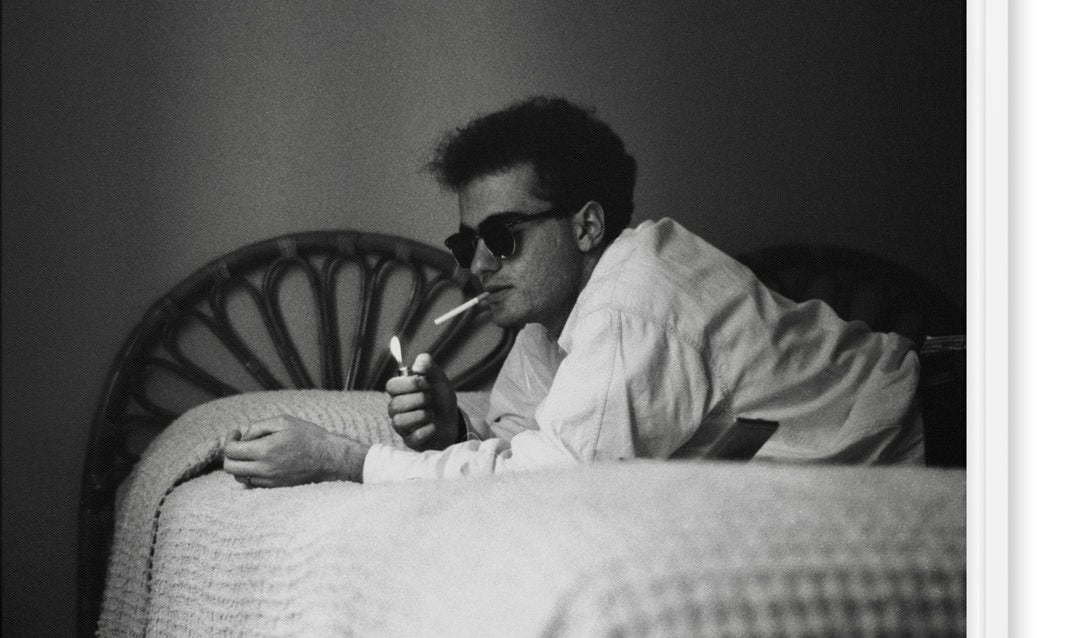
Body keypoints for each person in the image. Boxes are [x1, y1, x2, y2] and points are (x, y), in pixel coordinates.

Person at [222, 96, 923, 488]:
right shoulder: (546, 323)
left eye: (502, 236)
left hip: (938, 428)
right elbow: (530, 445)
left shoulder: (630, 301)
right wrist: (454, 429)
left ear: (586, 226)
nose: (478, 264)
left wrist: (343, 458)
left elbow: (552, 482)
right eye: (466, 244)